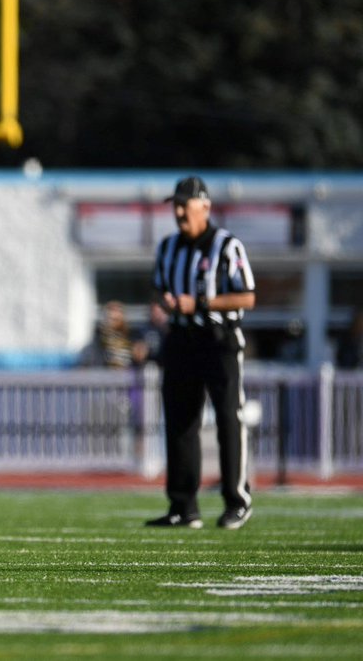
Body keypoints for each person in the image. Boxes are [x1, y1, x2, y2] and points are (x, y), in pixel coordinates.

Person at [146, 176, 256, 530]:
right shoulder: (167, 248)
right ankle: (183, 506)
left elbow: (247, 296)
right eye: (175, 205)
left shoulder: (227, 246)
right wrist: (169, 303)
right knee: (179, 421)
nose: (178, 212)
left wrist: (201, 303)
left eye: (184, 205)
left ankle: (237, 500)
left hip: (218, 339)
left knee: (228, 418)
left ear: (204, 207)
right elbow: (161, 289)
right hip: (180, 339)